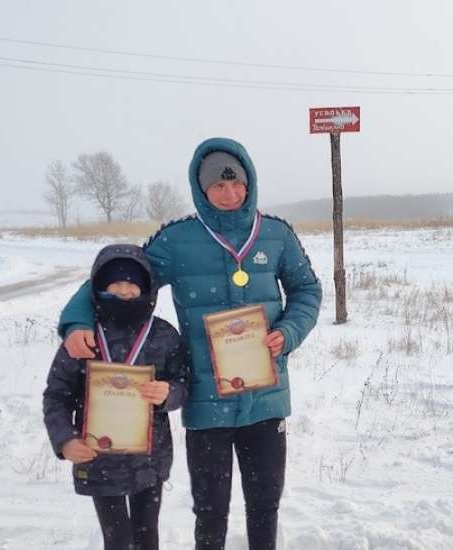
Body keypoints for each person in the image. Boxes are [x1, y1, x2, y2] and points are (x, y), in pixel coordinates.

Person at [58, 137, 322, 550]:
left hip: (267, 399)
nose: (230, 194)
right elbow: (121, 275)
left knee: (265, 505)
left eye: (237, 184)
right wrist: (76, 321)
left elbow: (307, 290)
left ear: (250, 181)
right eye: (219, 186)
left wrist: (287, 333)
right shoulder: (177, 242)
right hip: (206, 405)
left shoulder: (276, 235)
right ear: (202, 189)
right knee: (211, 510)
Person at [44, 244, 189, 550]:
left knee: (147, 533)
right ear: (99, 286)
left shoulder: (163, 335)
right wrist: (65, 440)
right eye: (115, 282)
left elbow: (184, 383)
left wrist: (168, 393)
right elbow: (57, 395)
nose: (124, 289)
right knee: (118, 538)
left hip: (149, 457)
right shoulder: (82, 337)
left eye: (132, 282)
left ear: (146, 287)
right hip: (99, 456)